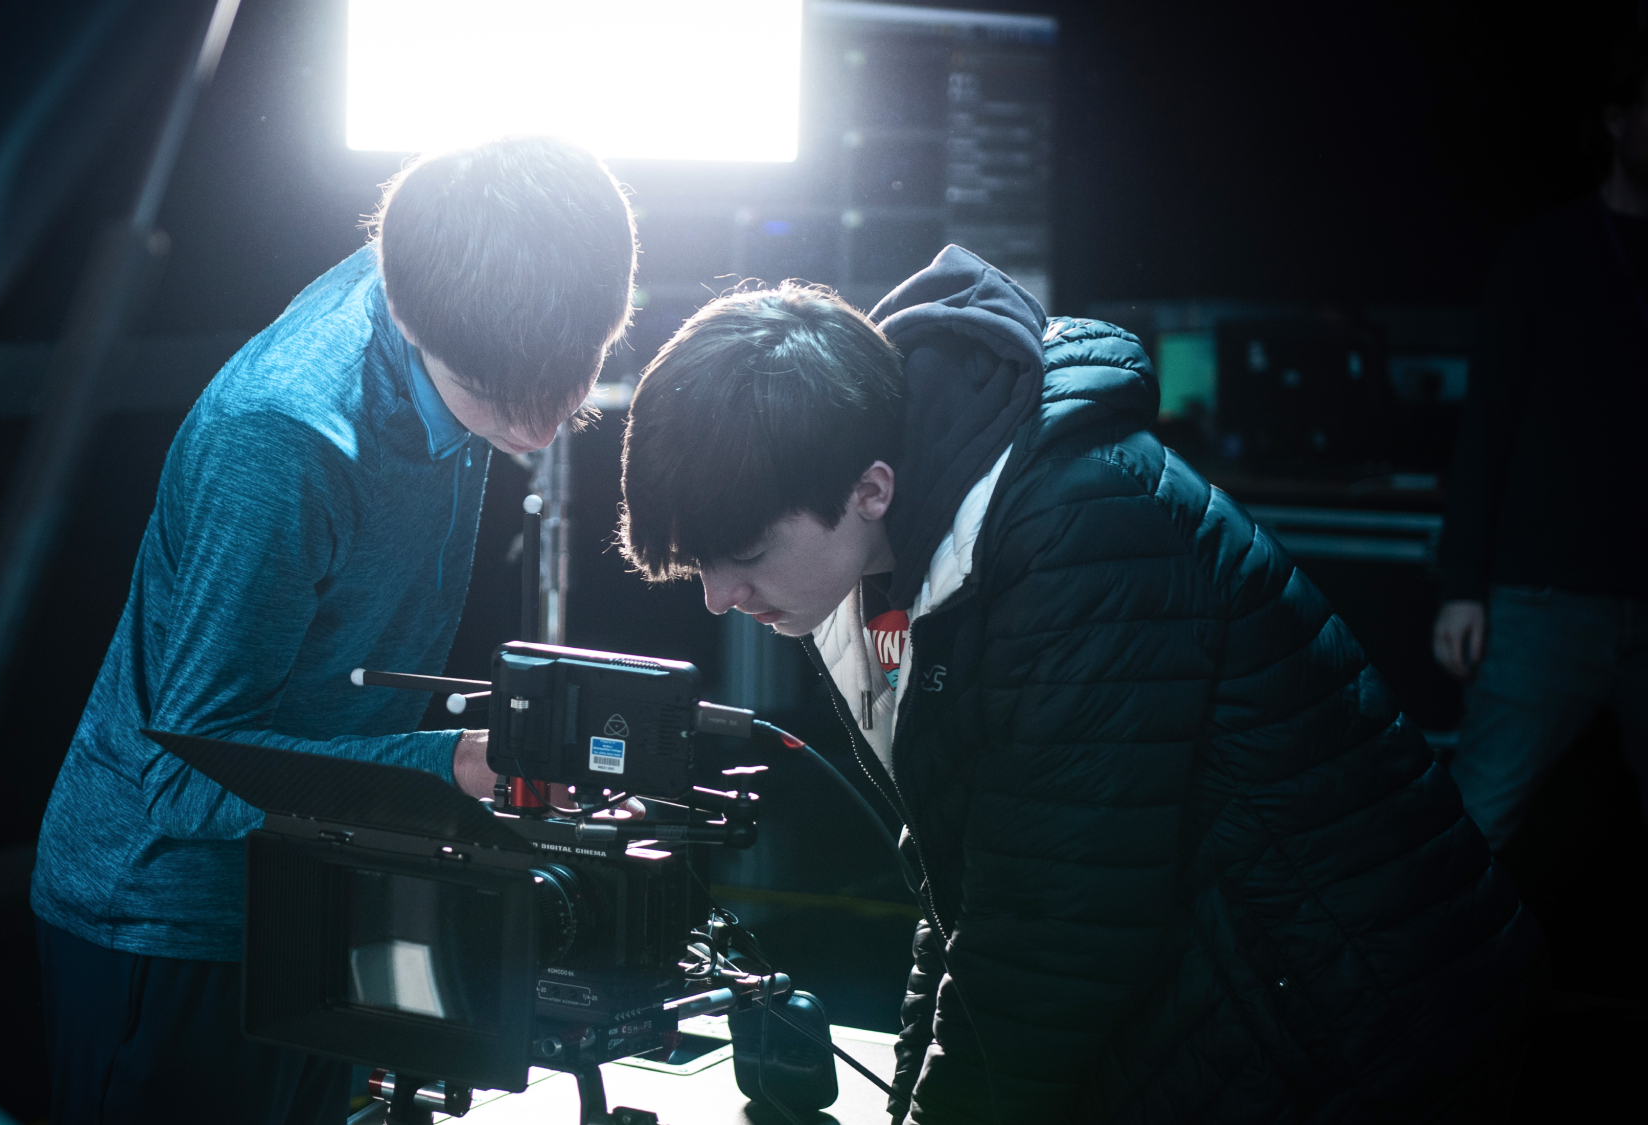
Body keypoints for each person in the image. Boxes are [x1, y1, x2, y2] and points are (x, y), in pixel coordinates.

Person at [617, 252, 1540, 1123]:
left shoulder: (1083, 532)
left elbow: (1046, 944)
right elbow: (971, 894)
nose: (718, 597)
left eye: (743, 557)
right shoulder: (881, 566)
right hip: (1217, 1008)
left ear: (870, 489)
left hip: (1361, 1032)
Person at [27, 136, 636, 1125]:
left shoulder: (463, 275)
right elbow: (185, 774)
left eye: (574, 370)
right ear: (406, 312)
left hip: (318, 883)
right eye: (500, 396)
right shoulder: (285, 438)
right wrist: (453, 766)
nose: (546, 419)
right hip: (170, 919)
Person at [1433, 37, 1648, 852]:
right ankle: (1424, 982)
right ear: (1617, 120)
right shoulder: (1543, 256)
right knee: (1477, 821)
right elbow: (1486, 421)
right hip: (1547, 598)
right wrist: (1464, 586)